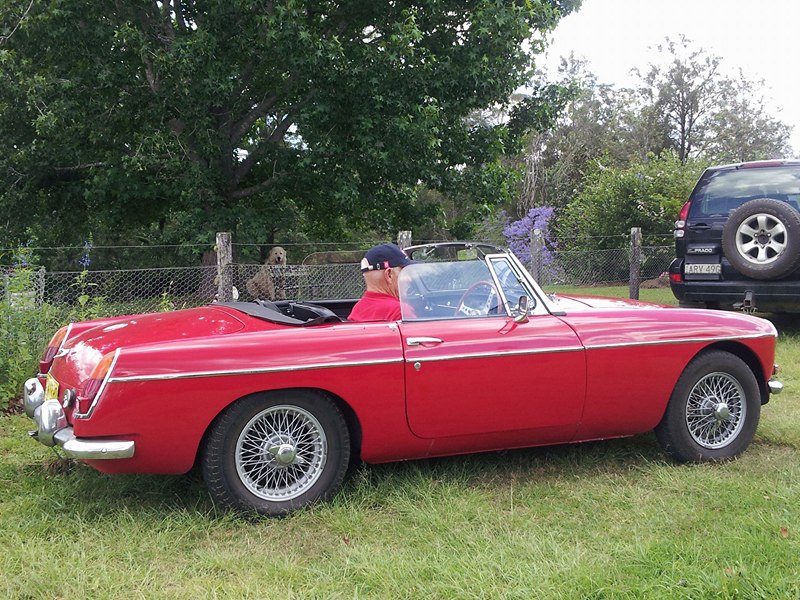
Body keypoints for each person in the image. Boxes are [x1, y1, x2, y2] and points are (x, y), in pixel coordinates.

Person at [348, 243, 415, 321]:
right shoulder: (401, 312)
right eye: (405, 272)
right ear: (389, 275)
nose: (409, 279)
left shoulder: (357, 309)